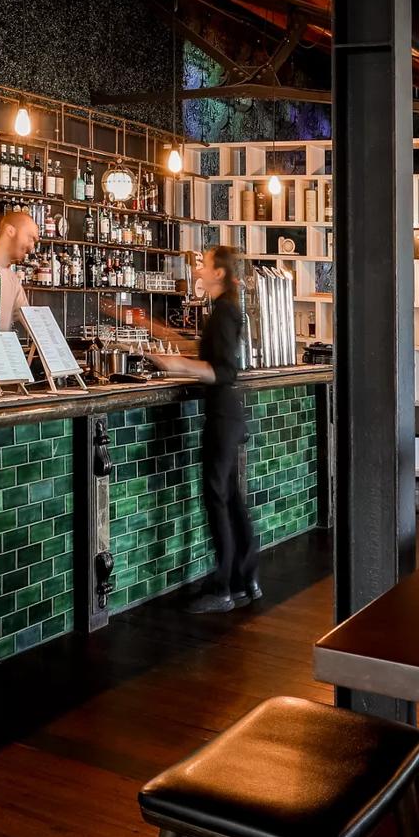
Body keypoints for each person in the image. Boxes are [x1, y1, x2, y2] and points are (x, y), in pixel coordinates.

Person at [150, 244, 260, 613]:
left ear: (219, 273)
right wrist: (160, 337)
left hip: (223, 416)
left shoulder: (225, 312)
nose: (198, 267)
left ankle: (224, 588)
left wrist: (175, 365)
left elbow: (224, 371)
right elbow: (210, 356)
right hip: (228, 416)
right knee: (230, 499)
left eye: (205, 263)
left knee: (217, 499)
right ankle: (246, 582)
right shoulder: (224, 311)